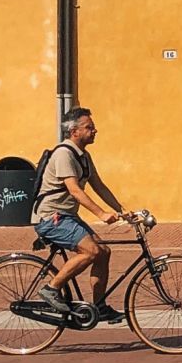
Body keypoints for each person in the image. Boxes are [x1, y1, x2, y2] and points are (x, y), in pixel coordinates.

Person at [32, 107, 131, 322]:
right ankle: (51, 289)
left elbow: (99, 186)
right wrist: (101, 213)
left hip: (67, 216)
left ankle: (99, 306)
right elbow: (75, 190)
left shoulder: (83, 156)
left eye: (93, 127)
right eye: (89, 127)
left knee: (103, 252)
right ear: (74, 131)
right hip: (51, 217)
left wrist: (122, 211)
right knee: (91, 251)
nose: (94, 131)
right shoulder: (63, 154)